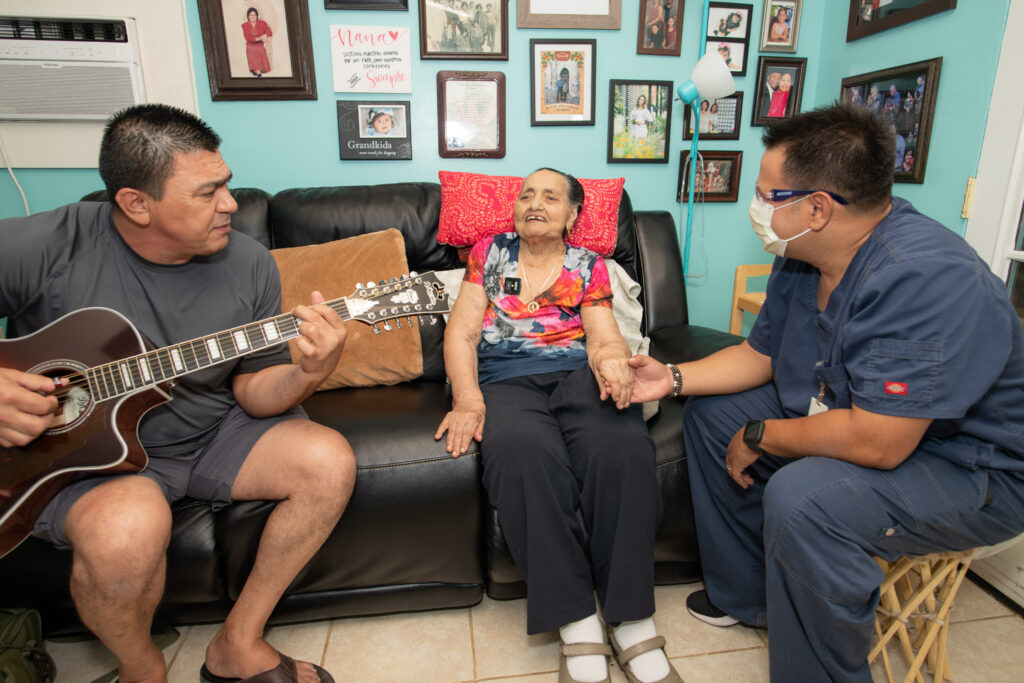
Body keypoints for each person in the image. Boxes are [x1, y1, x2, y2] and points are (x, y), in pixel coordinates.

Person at [627, 103, 1024, 682]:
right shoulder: (804, 258)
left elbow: (877, 442)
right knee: (711, 415)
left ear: (817, 208)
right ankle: (751, 596)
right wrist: (674, 377)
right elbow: (758, 356)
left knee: (804, 498)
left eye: (767, 196)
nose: (756, 209)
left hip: (967, 467)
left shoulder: (924, 279)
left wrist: (762, 434)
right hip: (858, 418)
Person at [0, 104, 356, 683]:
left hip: (215, 430)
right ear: (135, 204)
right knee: (125, 534)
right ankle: (142, 668)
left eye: (228, 185)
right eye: (206, 193)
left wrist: (309, 373)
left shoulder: (249, 262)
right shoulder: (47, 245)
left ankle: (237, 643)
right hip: (92, 460)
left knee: (328, 461)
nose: (231, 206)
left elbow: (254, 391)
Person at [435, 168, 682, 683]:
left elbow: (602, 334)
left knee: (621, 448)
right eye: (526, 194)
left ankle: (631, 616)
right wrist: (467, 398)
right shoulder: (489, 252)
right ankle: (576, 615)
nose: (535, 203)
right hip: (505, 378)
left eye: (551, 196)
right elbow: (460, 335)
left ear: (573, 215)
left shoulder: (587, 265)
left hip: (576, 373)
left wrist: (613, 360)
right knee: (523, 455)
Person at [241, 7, 272, 77]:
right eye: (251, 15)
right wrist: (259, 38)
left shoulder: (262, 23)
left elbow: (269, 32)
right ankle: (257, 70)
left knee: (259, 49)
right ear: (248, 16)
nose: (253, 17)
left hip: (260, 44)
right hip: (250, 44)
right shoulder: (244, 25)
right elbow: (247, 38)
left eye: (254, 15)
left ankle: (258, 69)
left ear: (257, 16)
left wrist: (265, 35)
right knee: (251, 49)